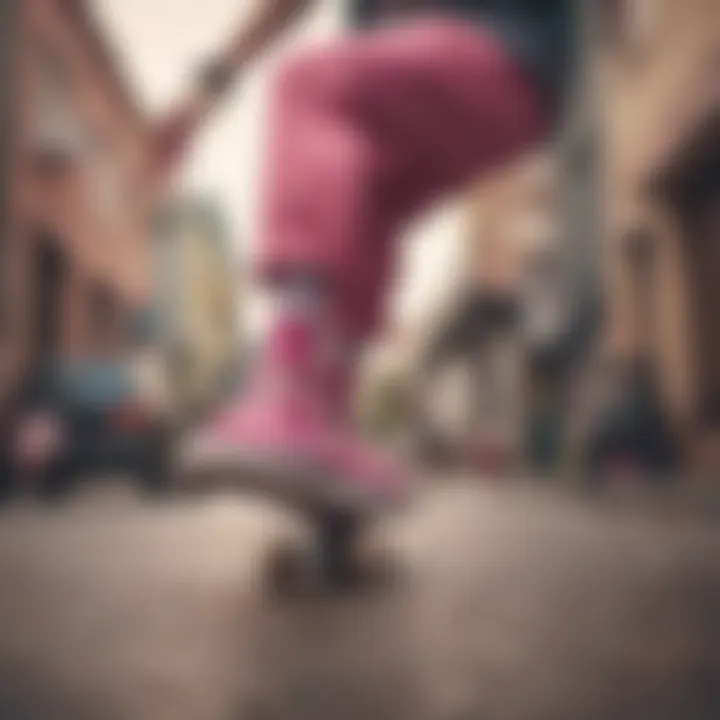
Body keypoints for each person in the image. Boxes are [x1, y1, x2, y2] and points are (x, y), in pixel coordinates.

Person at [156, 0, 576, 507]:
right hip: (516, 87)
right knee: (358, 202)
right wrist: (206, 89)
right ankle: (329, 438)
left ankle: (292, 399)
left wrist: (205, 90)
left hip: (505, 51)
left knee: (312, 83)